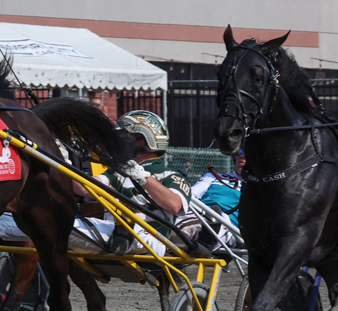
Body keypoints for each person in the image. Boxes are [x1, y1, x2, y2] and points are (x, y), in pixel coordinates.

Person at [81, 110, 191, 256]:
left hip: (153, 238)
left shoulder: (170, 175)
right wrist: (61, 160)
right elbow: (84, 188)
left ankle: (125, 235)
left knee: (130, 231)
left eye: (123, 137)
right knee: (68, 225)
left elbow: (174, 205)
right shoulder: (117, 173)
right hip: (112, 231)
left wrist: (143, 177)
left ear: (141, 141)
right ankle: (122, 235)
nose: (118, 142)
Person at [177, 150, 245, 248]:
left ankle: (182, 239)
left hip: (229, 228)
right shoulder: (213, 177)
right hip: (198, 215)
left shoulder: (259, 189)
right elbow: (191, 195)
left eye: (248, 153)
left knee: (215, 221)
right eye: (239, 152)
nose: (242, 155)